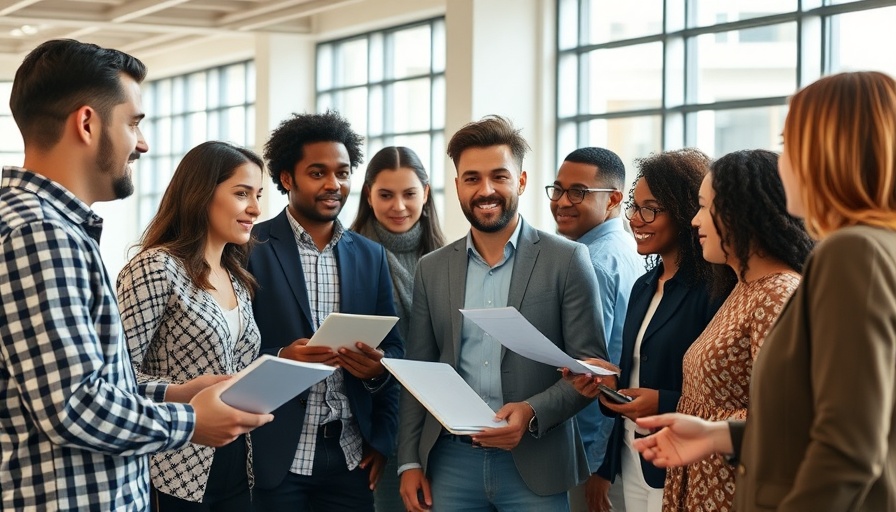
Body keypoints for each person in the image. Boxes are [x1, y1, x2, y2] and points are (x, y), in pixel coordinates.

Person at [0, 39, 271, 511]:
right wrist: (187, 421)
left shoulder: (50, 226)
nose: (142, 143)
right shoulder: (39, 232)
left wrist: (171, 392)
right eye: (133, 123)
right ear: (87, 123)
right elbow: (73, 407)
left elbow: (79, 383)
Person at [633, 71, 896, 512]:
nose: (784, 160)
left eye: (791, 144)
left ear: (830, 152)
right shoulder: (871, 246)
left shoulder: (853, 252)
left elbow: (846, 447)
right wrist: (719, 434)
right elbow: (815, 418)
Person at [397, 115, 608, 512]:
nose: (486, 190)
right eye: (472, 178)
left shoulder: (567, 260)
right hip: (450, 460)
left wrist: (530, 412)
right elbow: (419, 369)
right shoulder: (432, 267)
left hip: (536, 458)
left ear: (522, 182)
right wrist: (409, 460)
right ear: (457, 185)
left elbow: (589, 368)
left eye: (500, 176)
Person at [247, 110, 404, 512]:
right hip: (273, 457)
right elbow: (227, 347)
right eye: (318, 173)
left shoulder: (371, 257)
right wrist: (282, 358)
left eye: (343, 172)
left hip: (350, 459)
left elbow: (397, 353)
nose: (334, 184)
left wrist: (376, 376)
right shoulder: (250, 247)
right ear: (287, 178)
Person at [568, 149, 724, 512]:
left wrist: (663, 403)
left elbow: (725, 396)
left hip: (681, 464)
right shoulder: (644, 285)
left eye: (650, 209)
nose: (636, 220)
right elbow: (632, 376)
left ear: (686, 214)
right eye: (634, 208)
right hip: (630, 457)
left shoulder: (712, 291)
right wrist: (606, 386)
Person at [117, 141, 266, 510]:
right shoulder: (156, 268)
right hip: (171, 464)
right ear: (202, 193)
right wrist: (181, 391)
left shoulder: (237, 277)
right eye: (241, 193)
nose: (255, 208)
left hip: (235, 461)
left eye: (258, 195)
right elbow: (116, 377)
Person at [662, 149, 813, 511]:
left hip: (733, 488)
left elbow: (785, 413)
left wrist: (710, 428)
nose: (696, 222)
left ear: (741, 213)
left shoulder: (777, 293)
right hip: (707, 477)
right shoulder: (745, 287)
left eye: (703, 207)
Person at [349, 145, 446, 511]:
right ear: (369, 195)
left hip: (440, 423)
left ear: (425, 192)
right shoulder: (350, 255)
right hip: (375, 428)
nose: (399, 206)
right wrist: (380, 439)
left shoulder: (449, 257)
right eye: (386, 195)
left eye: (409, 194)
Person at [547, 147, 643, 512]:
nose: (561, 202)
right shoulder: (628, 248)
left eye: (578, 192)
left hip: (589, 450)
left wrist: (599, 461)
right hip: (609, 446)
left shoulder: (591, 263)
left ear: (614, 199)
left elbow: (599, 370)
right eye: (557, 189)